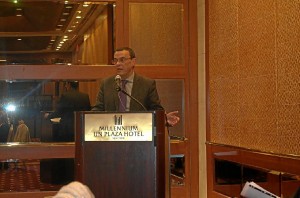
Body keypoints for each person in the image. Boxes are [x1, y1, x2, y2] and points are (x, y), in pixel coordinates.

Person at [92, 47, 180, 126]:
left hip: (138, 134)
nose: (118, 64)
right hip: (112, 134)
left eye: (122, 60)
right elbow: (98, 110)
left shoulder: (147, 84)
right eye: (115, 60)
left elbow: (156, 110)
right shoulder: (106, 84)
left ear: (133, 62)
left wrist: (163, 119)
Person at [43, 81, 91, 185]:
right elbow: (88, 111)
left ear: (68, 85)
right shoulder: (85, 96)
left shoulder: (65, 95)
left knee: (65, 153)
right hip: (80, 129)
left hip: (66, 130)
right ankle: (78, 177)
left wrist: (48, 116)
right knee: (77, 153)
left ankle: (65, 178)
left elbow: (59, 112)